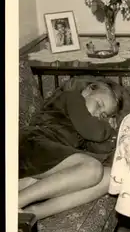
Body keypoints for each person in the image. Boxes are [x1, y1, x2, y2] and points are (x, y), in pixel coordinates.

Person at [18, 79, 124, 220]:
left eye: (104, 115)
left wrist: (108, 133)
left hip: (47, 158)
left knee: (111, 176)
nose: (98, 114)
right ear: (88, 90)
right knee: (92, 169)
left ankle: (31, 215)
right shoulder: (72, 97)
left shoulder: (86, 123)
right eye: (99, 104)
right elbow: (94, 132)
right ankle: (15, 202)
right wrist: (109, 129)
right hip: (33, 143)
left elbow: (100, 149)